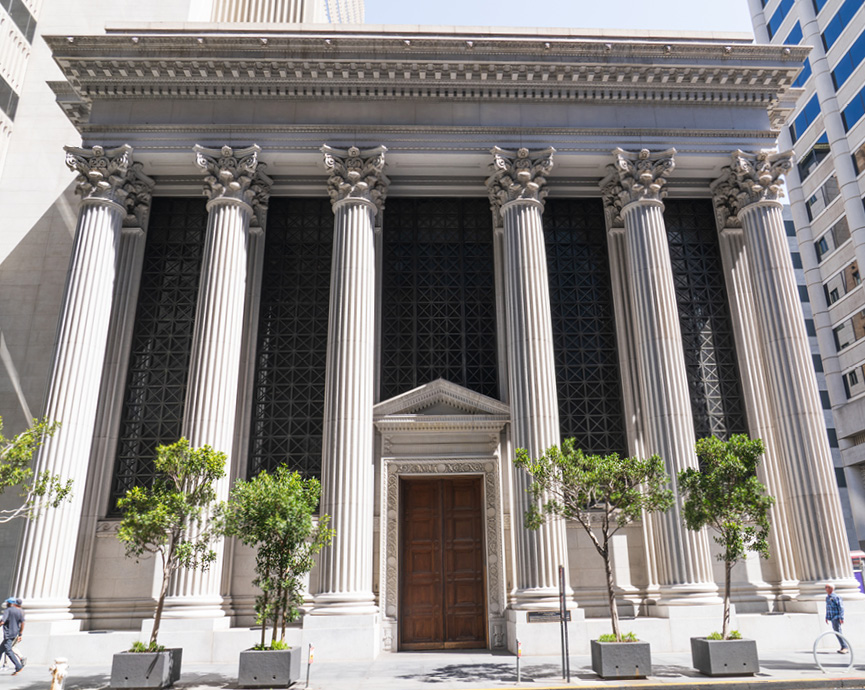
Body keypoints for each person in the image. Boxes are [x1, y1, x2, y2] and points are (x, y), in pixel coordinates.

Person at [0, 597, 24, 675]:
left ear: (9, 603)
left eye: (7, 603)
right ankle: (18, 666)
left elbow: (2, 621)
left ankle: (18, 666)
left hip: (8, 634)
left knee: (8, 650)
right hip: (14, 634)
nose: (6, 604)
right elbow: (22, 623)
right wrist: (20, 634)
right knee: (1, 649)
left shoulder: (8, 610)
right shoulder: (19, 611)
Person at [825, 583, 848, 654]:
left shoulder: (836, 597)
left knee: (838, 632)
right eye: (825, 587)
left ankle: (845, 647)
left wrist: (841, 617)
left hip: (836, 617)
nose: (825, 589)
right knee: (837, 632)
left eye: (827, 587)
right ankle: (843, 646)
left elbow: (841, 607)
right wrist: (827, 617)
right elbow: (828, 608)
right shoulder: (827, 597)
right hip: (832, 617)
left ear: (831, 589)